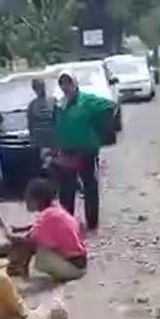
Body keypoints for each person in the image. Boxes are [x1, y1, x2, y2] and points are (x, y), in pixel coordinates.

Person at [53, 70, 115, 230]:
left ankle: (92, 221)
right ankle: (67, 223)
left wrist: (99, 131)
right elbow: (58, 126)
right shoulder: (61, 104)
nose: (66, 87)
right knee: (67, 188)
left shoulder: (87, 101)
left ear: (75, 84)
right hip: (67, 151)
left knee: (89, 185)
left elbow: (110, 106)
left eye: (69, 83)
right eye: (62, 84)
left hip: (86, 150)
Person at [7, 178, 87, 282]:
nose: (25, 201)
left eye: (27, 198)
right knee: (33, 242)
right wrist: (20, 230)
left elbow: (30, 239)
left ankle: (18, 269)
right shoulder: (54, 210)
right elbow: (37, 228)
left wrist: (10, 237)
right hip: (79, 262)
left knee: (31, 245)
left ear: (38, 200)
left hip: (74, 268)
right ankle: (19, 268)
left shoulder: (48, 216)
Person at [27, 78, 57, 167]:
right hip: (40, 141)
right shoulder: (32, 105)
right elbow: (30, 124)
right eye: (38, 87)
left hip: (52, 139)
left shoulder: (53, 101)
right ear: (34, 89)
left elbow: (59, 119)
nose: (40, 89)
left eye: (41, 86)